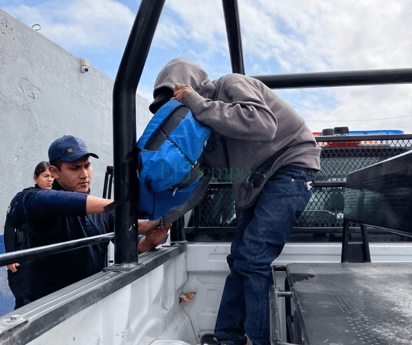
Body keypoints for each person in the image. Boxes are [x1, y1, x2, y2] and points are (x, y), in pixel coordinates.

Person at [150, 58, 321, 345]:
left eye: (178, 100)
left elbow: (264, 124)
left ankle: (258, 341)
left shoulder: (230, 85)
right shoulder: (206, 129)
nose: (176, 112)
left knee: (253, 259)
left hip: (289, 168)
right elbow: (199, 182)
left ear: (190, 89)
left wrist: (196, 102)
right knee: (239, 259)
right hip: (260, 184)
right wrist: (163, 221)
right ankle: (228, 338)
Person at [22, 135, 168, 303]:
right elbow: (64, 201)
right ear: (54, 172)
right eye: (75, 168)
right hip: (48, 310)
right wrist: (125, 208)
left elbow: (133, 242)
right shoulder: (37, 200)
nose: (84, 175)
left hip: (91, 304)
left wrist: (152, 240)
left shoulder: (102, 211)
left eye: (87, 166)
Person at [4, 161, 54, 309]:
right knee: (24, 303)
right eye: (45, 175)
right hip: (24, 260)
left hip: (46, 260)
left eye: (52, 176)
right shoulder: (24, 197)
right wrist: (10, 257)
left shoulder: (58, 198)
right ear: (35, 178)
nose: (50, 179)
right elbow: (9, 226)